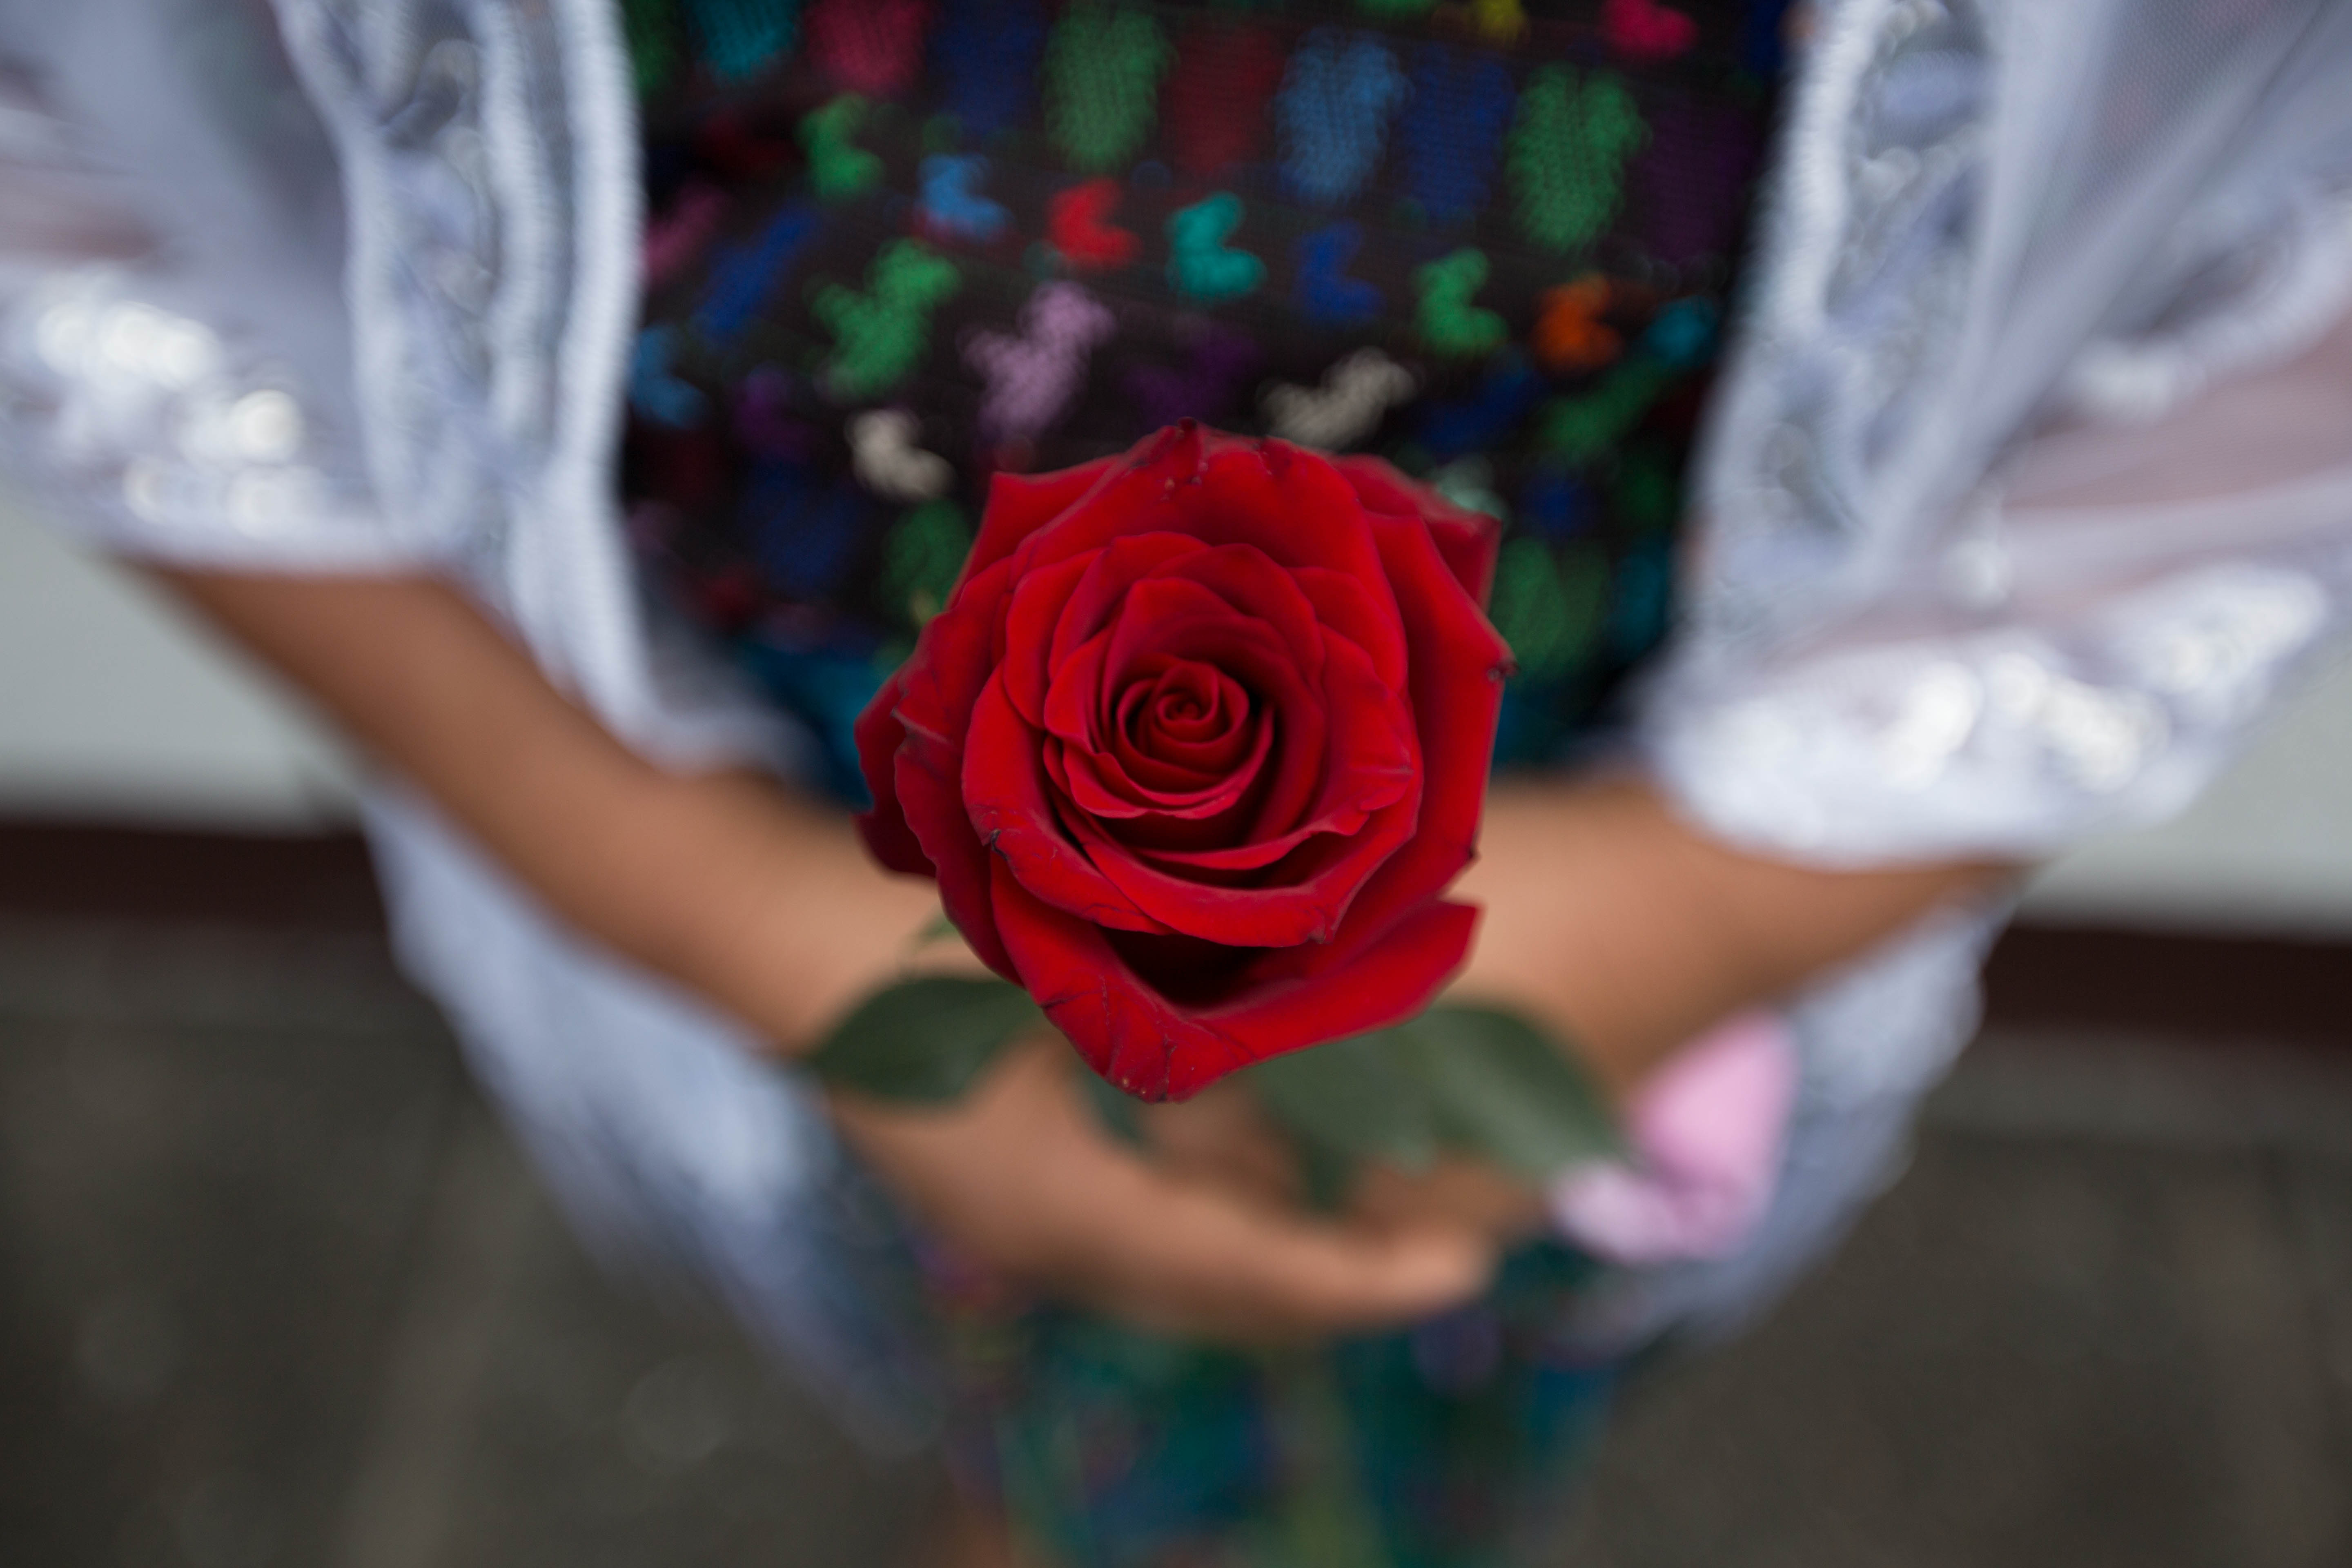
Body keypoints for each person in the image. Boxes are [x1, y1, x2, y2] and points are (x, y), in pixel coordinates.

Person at [5, 0, 2350, 1560]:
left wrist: (1700, 905)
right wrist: (721, 904)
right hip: (822, 843)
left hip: (1591, 861)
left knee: (1408, 1371)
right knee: (1022, 1380)